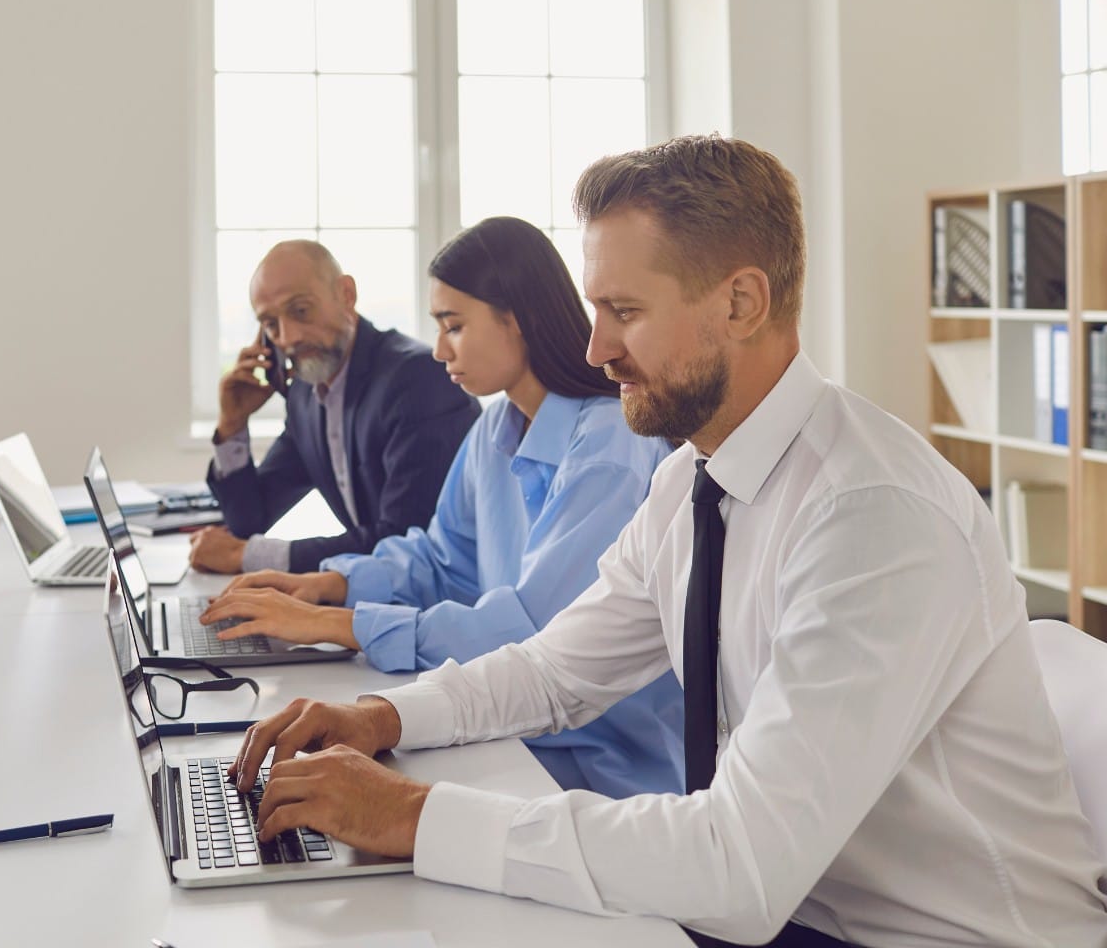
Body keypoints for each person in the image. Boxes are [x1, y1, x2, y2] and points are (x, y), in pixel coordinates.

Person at [223, 136, 1107, 947]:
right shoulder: (692, 480)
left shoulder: (872, 517)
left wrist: (414, 817)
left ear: (742, 302)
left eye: (624, 311)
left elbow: (743, 866)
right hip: (805, 910)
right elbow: (554, 669)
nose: (596, 346)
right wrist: (379, 717)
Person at [201, 216, 684, 798]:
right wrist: (329, 585)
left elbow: (536, 635)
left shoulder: (610, 447)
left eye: (454, 326)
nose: (438, 349)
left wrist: (340, 624)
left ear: (519, 320)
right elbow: (442, 559)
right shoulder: (495, 429)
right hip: (505, 730)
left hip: (597, 762)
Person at [192, 240, 479, 575]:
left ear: (346, 294)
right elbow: (249, 522)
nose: (288, 337)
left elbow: (403, 540)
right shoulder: (305, 393)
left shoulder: (418, 380)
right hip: (378, 595)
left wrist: (250, 557)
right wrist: (233, 424)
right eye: (271, 324)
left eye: (300, 311)